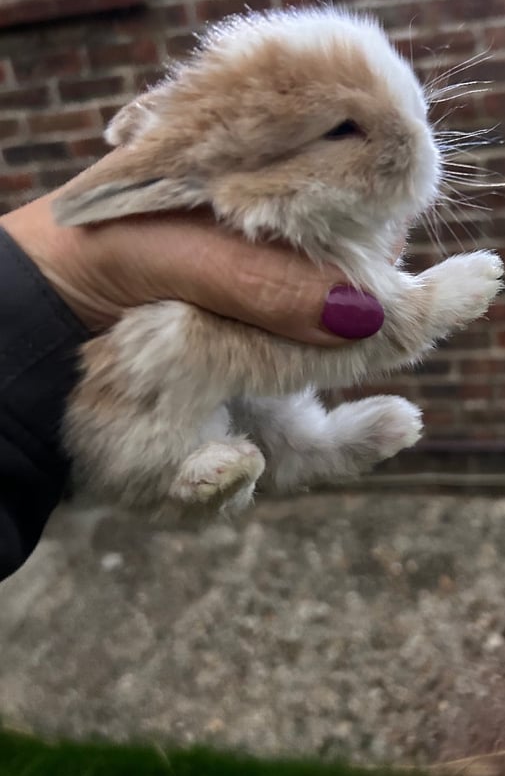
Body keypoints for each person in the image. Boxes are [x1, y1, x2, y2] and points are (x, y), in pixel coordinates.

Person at [0, 183, 384, 582]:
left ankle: (308, 448)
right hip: (150, 393)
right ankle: (204, 469)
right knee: (184, 387)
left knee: (262, 399)